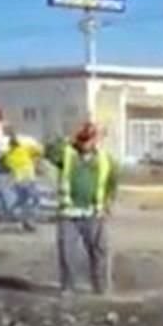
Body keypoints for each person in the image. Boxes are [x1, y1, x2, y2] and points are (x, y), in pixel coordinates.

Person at [57, 122, 118, 297]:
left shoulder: (106, 160)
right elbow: (49, 150)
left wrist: (108, 203)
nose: (86, 144)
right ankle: (68, 287)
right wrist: (67, 140)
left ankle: (101, 288)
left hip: (94, 213)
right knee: (67, 252)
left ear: (96, 140)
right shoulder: (67, 155)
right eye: (83, 139)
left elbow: (112, 183)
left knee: (100, 251)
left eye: (90, 139)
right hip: (69, 214)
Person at [1, 132, 43, 232]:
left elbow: (4, 163)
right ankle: (26, 221)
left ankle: (11, 214)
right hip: (28, 180)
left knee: (22, 200)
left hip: (19, 181)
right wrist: (36, 157)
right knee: (34, 200)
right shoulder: (24, 148)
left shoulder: (8, 154)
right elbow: (39, 151)